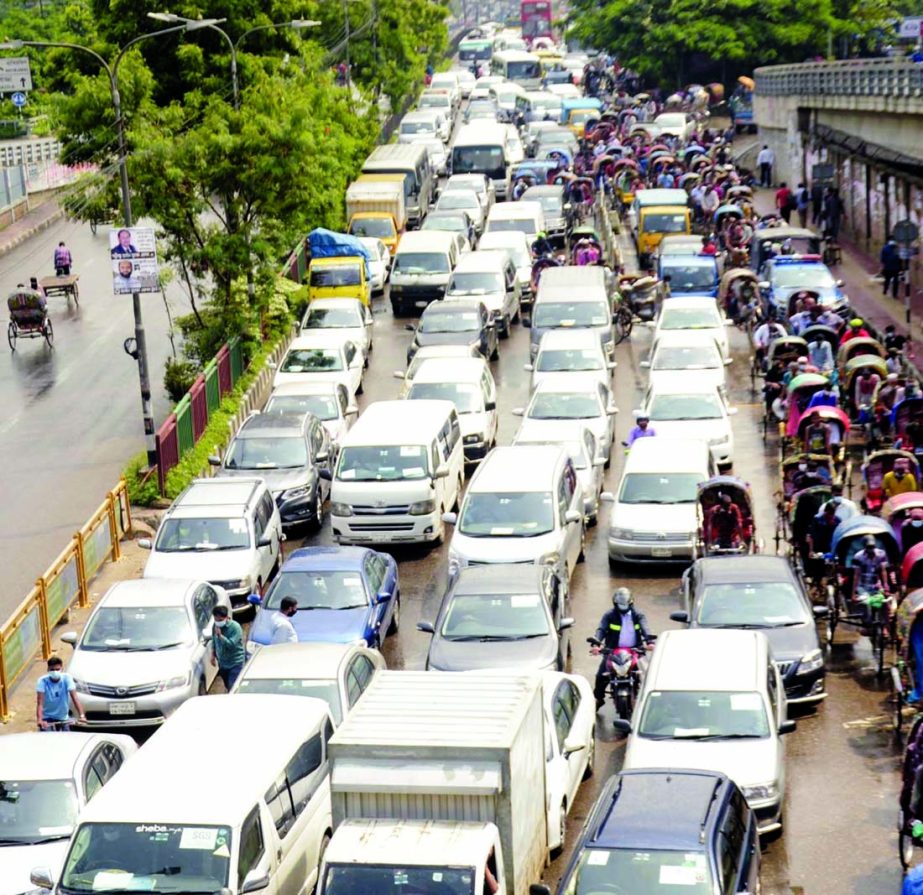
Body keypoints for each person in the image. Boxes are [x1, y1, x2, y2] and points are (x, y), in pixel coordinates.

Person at [591, 587, 653, 709]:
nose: (623, 608)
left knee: (648, 675)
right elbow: (601, 630)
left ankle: (648, 702)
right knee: (600, 676)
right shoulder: (609, 615)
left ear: (631, 602)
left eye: (625, 605)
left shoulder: (638, 615)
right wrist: (596, 644)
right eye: (620, 605)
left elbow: (645, 628)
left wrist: (650, 642)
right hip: (613, 652)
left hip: (635, 651)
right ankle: (598, 699)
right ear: (615, 603)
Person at [35, 657, 86, 731]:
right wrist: (39, 719)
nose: (55, 672)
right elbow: (40, 703)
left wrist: (82, 716)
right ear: (48, 669)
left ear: (62, 669)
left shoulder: (67, 678)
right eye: (52, 670)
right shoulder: (42, 681)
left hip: (63, 718)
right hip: (47, 717)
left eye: (57, 669)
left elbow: (75, 698)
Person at [211, 605, 246, 691]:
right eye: (216, 619)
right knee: (227, 686)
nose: (218, 622)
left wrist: (220, 636)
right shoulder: (215, 626)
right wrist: (213, 654)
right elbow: (214, 640)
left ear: (226, 617)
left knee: (233, 687)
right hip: (223, 664)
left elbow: (231, 644)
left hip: (235, 663)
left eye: (220, 620)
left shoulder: (235, 627)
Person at [852, 534, 890, 610]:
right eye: (869, 547)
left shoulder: (881, 554)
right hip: (862, 586)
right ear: (864, 546)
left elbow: (883, 571)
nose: (871, 549)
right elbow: (857, 575)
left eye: (872, 546)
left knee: (884, 603)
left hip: (876, 585)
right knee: (865, 601)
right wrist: (853, 593)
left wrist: (886, 586)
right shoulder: (858, 557)